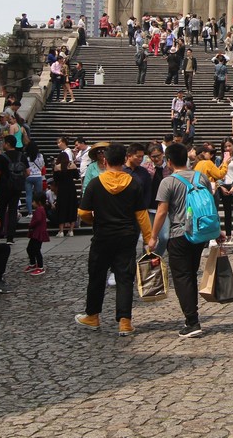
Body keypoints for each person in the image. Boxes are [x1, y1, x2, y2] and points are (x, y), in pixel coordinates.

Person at [74, 143, 155, 337]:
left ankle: (92, 315)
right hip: (127, 235)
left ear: (105, 160)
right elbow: (141, 214)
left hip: (103, 235)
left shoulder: (95, 183)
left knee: (97, 275)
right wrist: (149, 237)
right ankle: (125, 322)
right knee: (125, 278)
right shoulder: (134, 182)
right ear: (123, 159)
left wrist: (94, 220)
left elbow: (83, 212)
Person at [26, 192, 50, 275]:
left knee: (36, 250)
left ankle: (40, 267)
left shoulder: (39, 209)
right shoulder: (40, 209)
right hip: (36, 233)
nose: (32, 203)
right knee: (30, 248)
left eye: (33, 201)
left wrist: (31, 224)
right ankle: (33, 264)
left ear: (38, 202)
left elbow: (38, 220)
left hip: (38, 233)